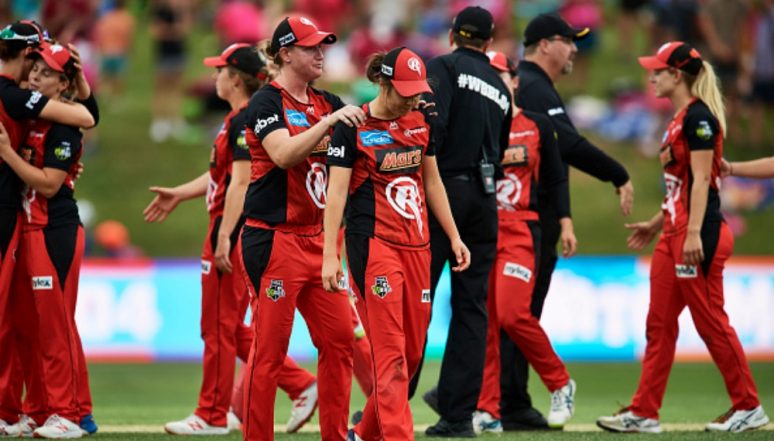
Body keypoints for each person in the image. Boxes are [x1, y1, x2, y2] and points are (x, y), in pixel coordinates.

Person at [143, 43, 319, 436]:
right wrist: (180, 193)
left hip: (233, 230)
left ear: (235, 78)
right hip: (230, 227)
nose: (214, 77)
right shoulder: (236, 119)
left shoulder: (245, 120)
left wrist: (224, 235)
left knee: (219, 328)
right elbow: (222, 177)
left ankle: (211, 414)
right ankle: (299, 383)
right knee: (227, 327)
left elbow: (241, 181)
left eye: (220, 70)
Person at [597, 41, 770, 434]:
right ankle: (644, 411)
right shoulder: (679, 119)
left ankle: (749, 406)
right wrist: (656, 224)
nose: (651, 77)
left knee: (710, 322)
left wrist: (692, 233)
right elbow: (682, 185)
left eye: (657, 71)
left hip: (698, 235)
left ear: (677, 75)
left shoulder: (699, 119)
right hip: (674, 234)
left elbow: (705, 181)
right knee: (658, 324)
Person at [322, 46, 470, 441]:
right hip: (374, 248)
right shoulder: (352, 126)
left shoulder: (421, 121)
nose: (413, 96)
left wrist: (454, 236)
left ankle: (362, 434)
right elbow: (335, 195)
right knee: (391, 359)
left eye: (417, 89)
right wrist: (329, 256)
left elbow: (432, 181)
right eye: (405, 89)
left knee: (413, 354)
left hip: (419, 248)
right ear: (383, 82)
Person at [498, 13, 633, 430]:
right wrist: (618, 172)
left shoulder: (535, 88)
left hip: (525, 221)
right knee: (517, 315)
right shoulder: (535, 87)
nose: (575, 47)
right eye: (568, 40)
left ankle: (505, 401)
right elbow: (569, 147)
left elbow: (556, 162)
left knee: (511, 316)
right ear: (543, 45)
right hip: (524, 223)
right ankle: (509, 401)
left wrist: (568, 217)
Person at [239, 16, 366, 441]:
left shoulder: (327, 100)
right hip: (274, 241)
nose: (321, 53)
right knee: (269, 351)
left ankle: (336, 434)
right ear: (285, 53)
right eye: (311, 46)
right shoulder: (264, 104)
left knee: (341, 342)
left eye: (323, 45)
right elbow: (283, 155)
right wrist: (329, 125)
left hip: (320, 242)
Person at [410, 6, 512, 437]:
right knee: (472, 309)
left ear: (453, 34)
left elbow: (433, 127)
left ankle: (389, 406)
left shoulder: (443, 67)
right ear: (489, 42)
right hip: (485, 199)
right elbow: (502, 151)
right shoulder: (502, 88)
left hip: (444, 191)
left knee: (417, 300)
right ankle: (457, 416)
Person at [0, 21, 96, 438]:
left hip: (53, 226)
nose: (36, 77)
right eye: (35, 67)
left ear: (63, 82)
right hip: (30, 226)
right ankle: (37, 410)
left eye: (46, 72)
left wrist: (8, 154)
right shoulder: (31, 109)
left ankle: (73, 413)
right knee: (30, 324)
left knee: (55, 323)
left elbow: (50, 182)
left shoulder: (57, 123)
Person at [474, 51, 577, 435]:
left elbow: (556, 179)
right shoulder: (478, 127)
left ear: (515, 80)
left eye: (500, 74)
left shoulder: (535, 125)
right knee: (486, 322)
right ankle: (488, 409)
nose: (495, 80)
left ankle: (560, 382)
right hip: (484, 232)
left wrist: (566, 224)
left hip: (522, 230)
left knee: (514, 314)